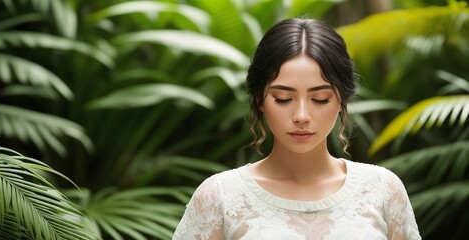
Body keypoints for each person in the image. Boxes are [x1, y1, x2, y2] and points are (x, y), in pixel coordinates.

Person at [173, 18, 421, 240]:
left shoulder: (382, 189)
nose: (301, 116)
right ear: (260, 100)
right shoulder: (219, 197)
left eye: (320, 99)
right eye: (282, 98)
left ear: (341, 101)